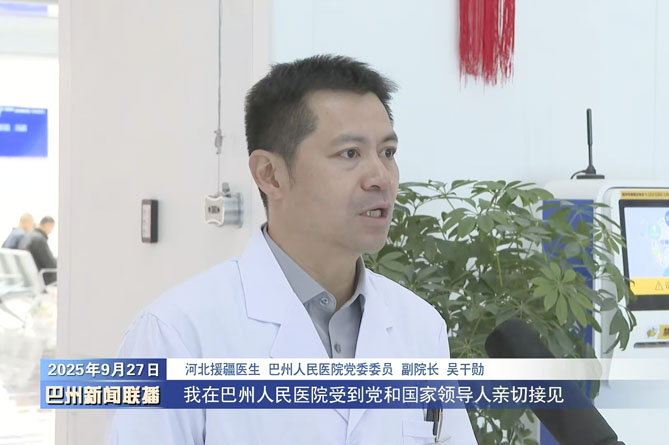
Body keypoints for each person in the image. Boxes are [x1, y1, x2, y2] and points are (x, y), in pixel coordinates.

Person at [108, 55, 476, 444]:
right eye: (350, 154)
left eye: (387, 153)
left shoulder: (419, 327)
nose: (380, 178)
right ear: (270, 174)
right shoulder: (177, 335)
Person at [17, 215, 57, 285]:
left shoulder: (28, 235)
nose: (51, 231)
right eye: (52, 227)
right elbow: (50, 265)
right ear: (48, 225)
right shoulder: (38, 240)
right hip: (41, 280)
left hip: (28, 278)